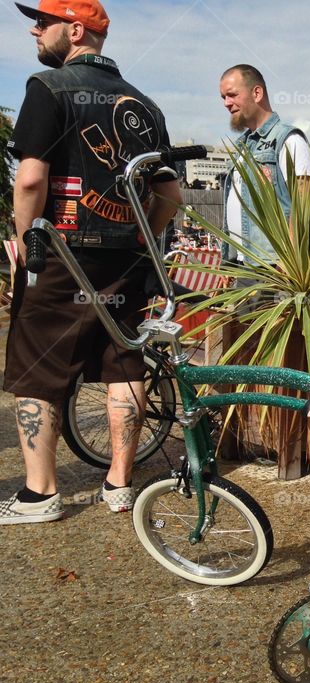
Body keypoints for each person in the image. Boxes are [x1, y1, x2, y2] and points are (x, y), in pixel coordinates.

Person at [1, 0, 181, 524]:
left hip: (60, 254)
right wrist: (143, 236)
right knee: (124, 361)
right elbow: (170, 193)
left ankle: (40, 494)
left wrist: (23, 247)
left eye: (43, 21)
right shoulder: (145, 105)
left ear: (75, 31)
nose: (35, 30)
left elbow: (31, 179)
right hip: (125, 255)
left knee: (38, 369)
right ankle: (120, 485)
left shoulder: (47, 87)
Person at [219, 64, 310, 268]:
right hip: (244, 265)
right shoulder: (243, 146)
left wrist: (290, 263)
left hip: (275, 268)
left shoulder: (289, 139)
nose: (227, 103)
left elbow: (303, 206)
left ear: (257, 93)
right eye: (223, 97)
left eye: (232, 95)